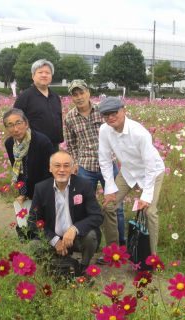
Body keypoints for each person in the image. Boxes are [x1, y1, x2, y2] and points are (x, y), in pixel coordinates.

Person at [98, 97, 165, 256]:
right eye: (106, 115)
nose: (110, 118)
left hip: (152, 171)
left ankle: (151, 258)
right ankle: (114, 251)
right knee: (109, 205)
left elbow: (150, 166)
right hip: (128, 172)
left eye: (114, 113)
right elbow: (105, 159)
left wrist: (146, 196)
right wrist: (109, 188)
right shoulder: (104, 130)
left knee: (149, 212)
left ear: (124, 111)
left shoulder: (139, 133)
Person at [64, 79, 126, 246]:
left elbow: (120, 129)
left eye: (81, 92)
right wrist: (75, 162)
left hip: (110, 164)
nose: (79, 97)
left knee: (115, 207)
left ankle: (120, 245)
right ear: (71, 97)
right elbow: (71, 144)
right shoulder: (70, 117)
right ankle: (90, 243)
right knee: (84, 207)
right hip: (86, 167)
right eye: (75, 94)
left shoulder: (103, 110)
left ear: (88, 93)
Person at [28, 151, 103, 273]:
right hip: (53, 237)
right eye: (57, 165)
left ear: (73, 168)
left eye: (66, 165)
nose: (62, 170)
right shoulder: (41, 188)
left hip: (77, 238)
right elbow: (32, 221)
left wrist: (75, 228)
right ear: (50, 168)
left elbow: (97, 216)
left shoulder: (84, 185)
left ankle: (83, 267)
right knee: (33, 245)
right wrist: (54, 240)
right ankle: (52, 266)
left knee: (91, 236)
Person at [4, 108, 54, 202]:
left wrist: (39, 196)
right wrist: (23, 193)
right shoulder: (9, 143)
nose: (15, 129)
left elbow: (50, 173)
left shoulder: (42, 142)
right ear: (6, 128)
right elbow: (19, 172)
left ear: (26, 123)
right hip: (27, 191)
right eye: (10, 125)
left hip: (45, 192)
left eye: (19, 123)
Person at [13, 59, 63, 151]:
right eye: (40, 72)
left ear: (51, 76)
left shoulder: (55, 97)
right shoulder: (25, 97)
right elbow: (14, 121)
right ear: (33, 76)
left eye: (47, 72)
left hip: (54, 146)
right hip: (33, 147)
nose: (44, 75)